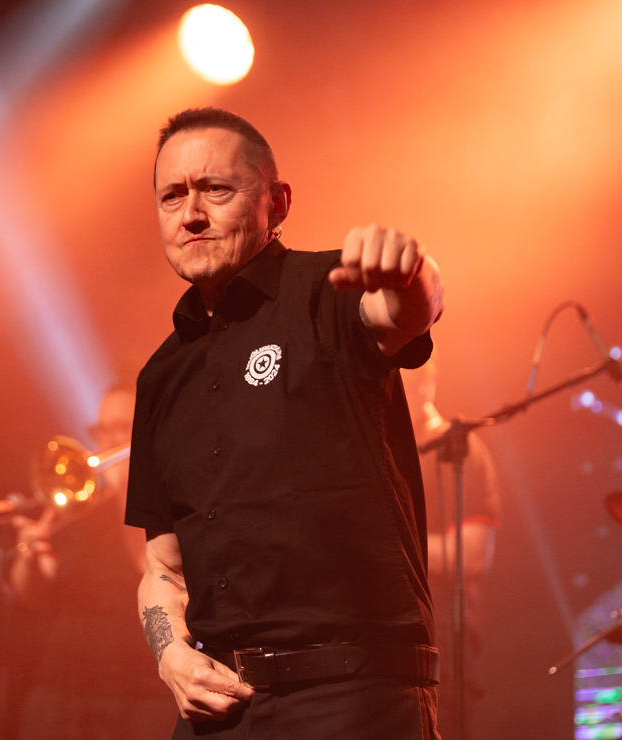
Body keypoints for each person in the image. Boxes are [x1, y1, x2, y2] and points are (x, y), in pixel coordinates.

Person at [125, 107, 445, 739]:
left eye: (216, 189)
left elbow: (409, 311)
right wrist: (170, 655)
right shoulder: (161, 375)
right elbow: (163, 568)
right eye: (172, 196)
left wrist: (413, 271)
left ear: (277, 203)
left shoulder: (326, 291)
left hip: (352, 699)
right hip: (222, 710)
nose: (191, 214)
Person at [8, 384, 172, 739]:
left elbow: (147, 571)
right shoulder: (79, 511)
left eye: (121, 427)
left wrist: (129, 489)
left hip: (141, 698)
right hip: (64, 692)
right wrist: (29, 555)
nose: (108, 440)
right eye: (101, 430)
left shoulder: (171, 507)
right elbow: (33, 596)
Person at [403, 356, 501, 740]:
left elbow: (472, 556)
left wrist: (382, 548)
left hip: (444, 641)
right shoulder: (376, 451)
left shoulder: (461, 449)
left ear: (425, 384)